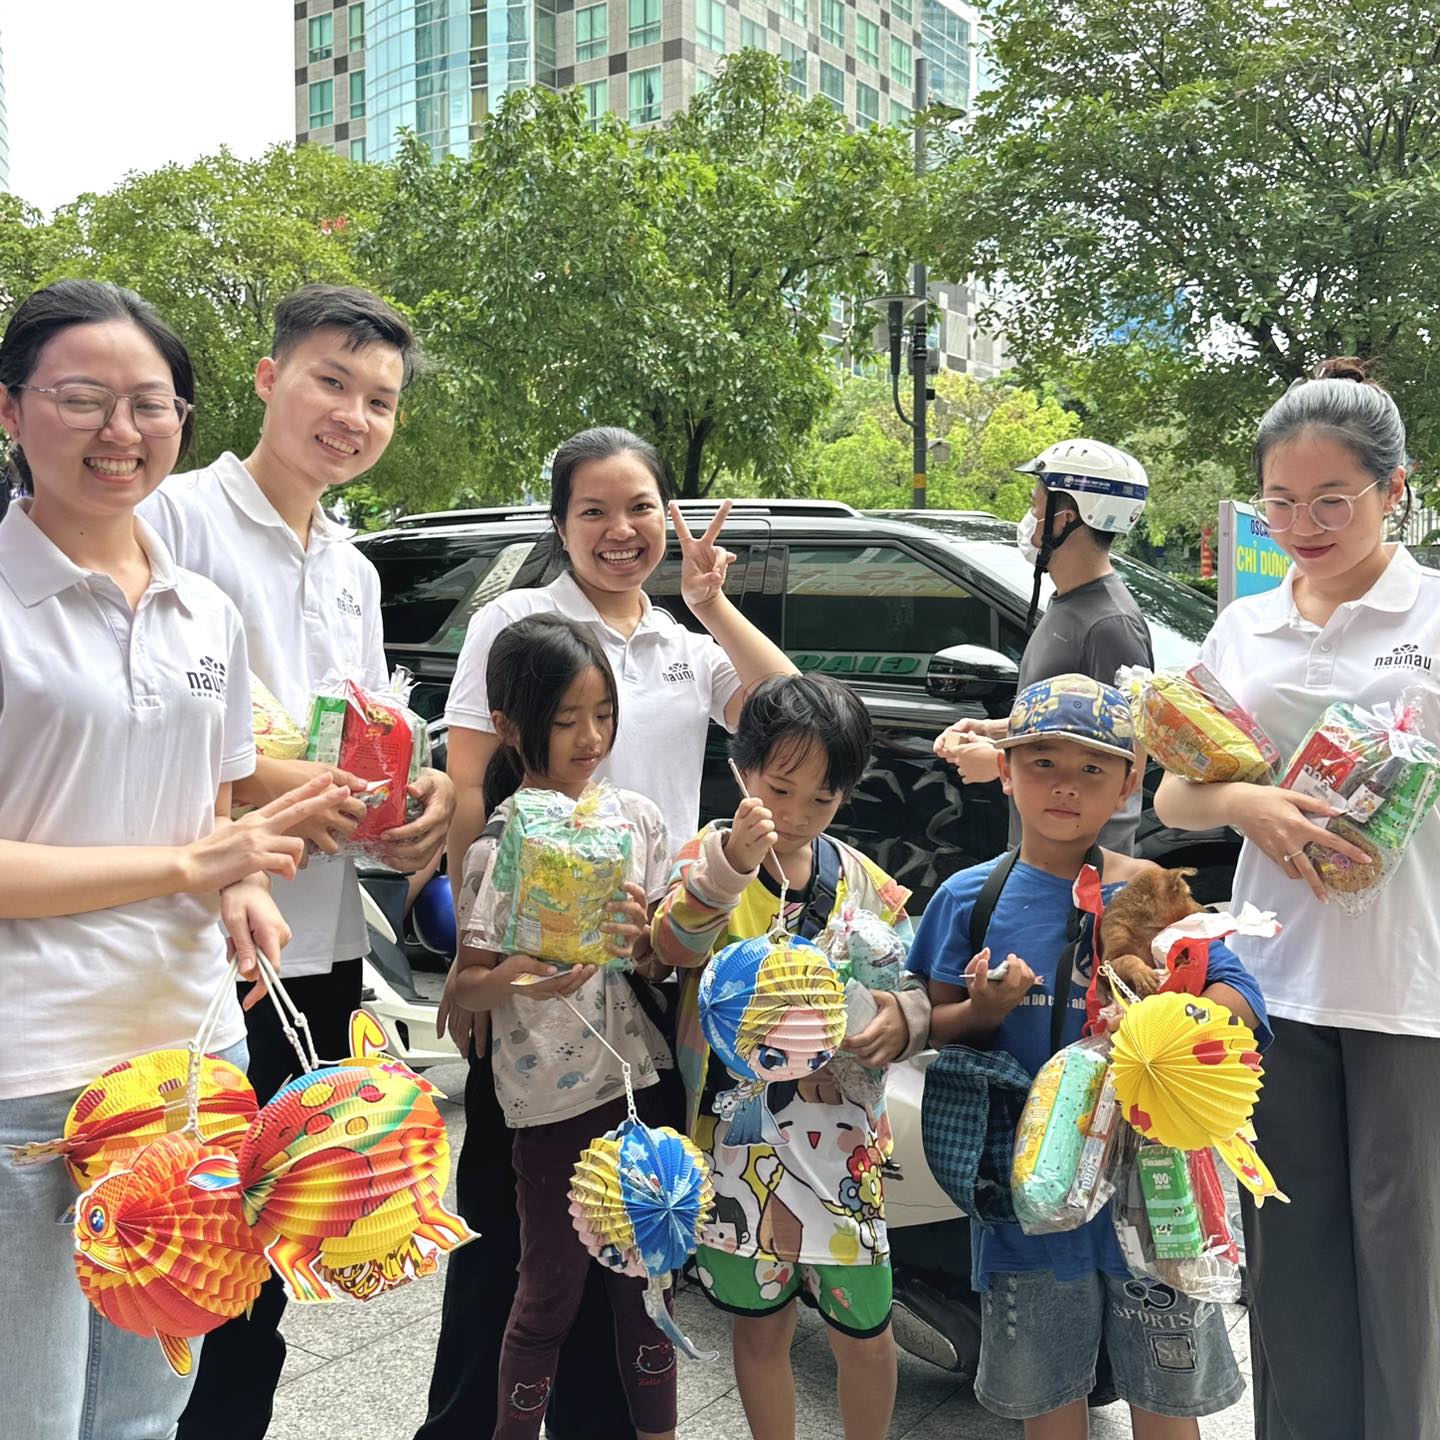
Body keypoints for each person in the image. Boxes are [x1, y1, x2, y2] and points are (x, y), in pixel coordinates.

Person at [0, 280, 343, 1440]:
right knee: (33, 1413)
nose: (120, 432)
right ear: (10, 411)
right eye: (81, 400)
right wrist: (199, 861)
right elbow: (196, 839)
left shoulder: (206, 612)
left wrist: (240, 882)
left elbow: (210, 803)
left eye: (150, 403)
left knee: (150, 1407)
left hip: (191, 1056)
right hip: (30, 1067)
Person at [421, 425, 794, 1440]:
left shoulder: (683, 641)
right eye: (593, 510)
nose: (620, 531)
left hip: (655, 964)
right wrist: (469, 960)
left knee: (627, 1220)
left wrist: (714, 604)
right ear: (560, 523)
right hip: (537, 976)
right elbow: (466, 790)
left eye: (640, 509)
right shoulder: (519, 616)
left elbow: (792, 716)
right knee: (513, 1237)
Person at [136, 283, 457, 1440]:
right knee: (179, 1234)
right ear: (269, 379)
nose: (353, 415)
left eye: (379, 400)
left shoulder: (355, 566)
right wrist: (314, 791)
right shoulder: (175, 517)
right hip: (191, 936)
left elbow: (350, 737)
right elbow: (165, 726)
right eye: (332, 380)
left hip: (313, 940)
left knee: (274, 1239)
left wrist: (413, 803)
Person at [1153, 359, 1440, 1440]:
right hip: (1271, 983)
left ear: (1393, 489)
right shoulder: (1247, 627)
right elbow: (1177, 790)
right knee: (1289, 1263)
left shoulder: (1433, 613)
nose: (1305, 524)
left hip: (1408, 991)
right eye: (1281, 501)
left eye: (1333, 500)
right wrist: (1252, 804)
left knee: (1404, 1273)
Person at [908, 674, 1269, 1439]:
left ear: (1131, 783)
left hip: (1159, 1204)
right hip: (1027, 1206)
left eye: (1093, 769)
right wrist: (984, 1010)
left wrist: (1171, 1013)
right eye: (1041, 763)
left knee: (1167, 1407)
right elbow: (935, 1026)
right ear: (1003, 769)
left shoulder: (1156, 895)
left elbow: (1243, 1007)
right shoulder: (971, 899)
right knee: (1049, 1404)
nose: (1065, 786)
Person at [649, 673, 933, 1440]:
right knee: (760, 1323)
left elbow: (903, 971)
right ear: (743, 768)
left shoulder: (862, 879)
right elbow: (668, 946)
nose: (798, 814)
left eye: (823, 799)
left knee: (865, 1330)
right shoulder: (707, 858)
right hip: (737, 1145)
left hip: (842, 1144)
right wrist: (729, 868)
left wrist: (908, 1014)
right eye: (780, 787)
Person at [450, 614, 677, 1440]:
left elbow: (660, 960)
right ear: (511, 728)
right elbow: (469, 986)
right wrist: (517, 973)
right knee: (547, 1292)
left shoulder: (638, 822)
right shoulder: (499, 843)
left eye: (603, 715)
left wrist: (646, 938)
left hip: (636, 1087)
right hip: (545, 1101)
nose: (590, 737)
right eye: (565, 719)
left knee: (646, 1286)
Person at [935, 439, 1154, 853]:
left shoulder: (1110, 624)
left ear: (1065, 518)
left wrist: (1001, 763)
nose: (1030, 521)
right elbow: (1070, 723)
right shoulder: (1069, 601)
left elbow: (1123, 756)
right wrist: (993, 731)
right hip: (1041, 857)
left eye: (1037, 510)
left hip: (1079, 870)